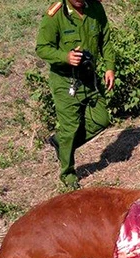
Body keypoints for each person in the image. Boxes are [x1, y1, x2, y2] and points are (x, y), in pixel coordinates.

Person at [36, 0, 115, 189]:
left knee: (101, 119)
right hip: (65, 82)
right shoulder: (55, 15)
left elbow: (105, 39)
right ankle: (68, 174)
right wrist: (65, 57)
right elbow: (42, 48)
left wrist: (110, 66)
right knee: (70, 128)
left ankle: (61, 142)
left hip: (89, 78)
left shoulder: (95, 7)